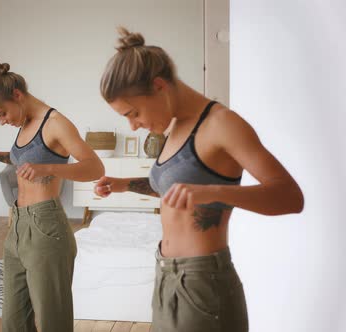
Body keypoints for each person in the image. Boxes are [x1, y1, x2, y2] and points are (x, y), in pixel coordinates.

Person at [94, 28, 304, 332]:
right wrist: (125, 184)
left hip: (203, 281)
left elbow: (290, 197)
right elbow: (180, 191)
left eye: (134, 112)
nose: (133, 125)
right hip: (166, 272)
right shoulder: (175, 125)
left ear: (159, 86)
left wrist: (213, 191)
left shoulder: (222, 124)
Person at [0, 59, 105, 332]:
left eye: (1, 113)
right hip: (17, 226)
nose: (1, 121)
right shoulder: (23, 123)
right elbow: (27, 156)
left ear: (17, 96)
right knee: (13, 321)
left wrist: (48, 168)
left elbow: (94, 167)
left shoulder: (56, 123)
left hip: (47, 227)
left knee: (51, 321)